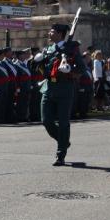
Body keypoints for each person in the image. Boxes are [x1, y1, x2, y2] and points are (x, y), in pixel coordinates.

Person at [35, 24, 85, 166]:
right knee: (46, 120)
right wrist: (37, 63)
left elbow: (82, 68)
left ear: (60, 34)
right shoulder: (48, 49)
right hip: (48, 87)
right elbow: (42, 69)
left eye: (52, 31)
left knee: (63, 123)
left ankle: (60, 154)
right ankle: (64, 141)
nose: (49, 33)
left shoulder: (72, 48)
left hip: (64, 88)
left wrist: (69, 70)